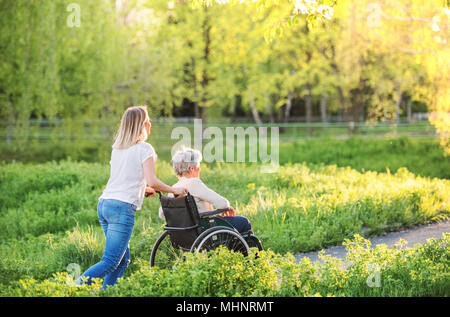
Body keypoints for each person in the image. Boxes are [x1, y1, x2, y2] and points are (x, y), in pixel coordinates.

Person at [75, 106, 187, 289]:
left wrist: (143, 190)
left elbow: (123, 180)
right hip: (121, 208)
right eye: (147, 120)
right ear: (142, 125)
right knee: (111, 261)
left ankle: (106, 293)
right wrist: (176, 191)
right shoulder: (145, 149)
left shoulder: (118, 148)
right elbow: (153, 180)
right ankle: (70, 289)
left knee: (122, 260)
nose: (150, 123)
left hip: (105, 204)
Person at [158, 146, 252, 234]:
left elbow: (162, 214)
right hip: (205, 229)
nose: (199, 170)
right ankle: (252, 251)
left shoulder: (174, 189)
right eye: (198, 167)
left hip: (186, 233)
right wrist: (227, 207)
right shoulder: (194, 183)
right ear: (191, 169)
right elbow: (223, 204)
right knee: (243, 222)